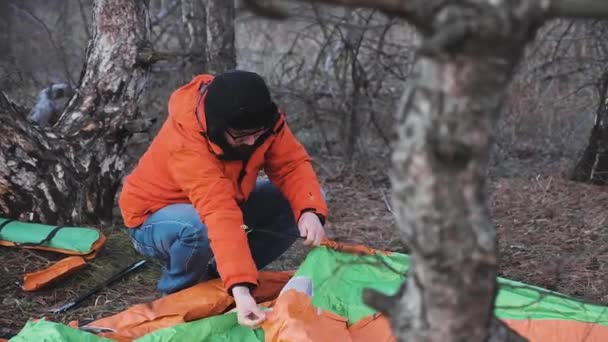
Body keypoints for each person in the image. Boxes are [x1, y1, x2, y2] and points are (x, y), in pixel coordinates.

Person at [118, 70, 328, 328]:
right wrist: (241, 292)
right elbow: (219, 212)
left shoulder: (266, 122)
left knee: (295, 203)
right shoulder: (187, 140)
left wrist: (309, 210)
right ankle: (179, 297)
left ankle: (218, 279)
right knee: (198, 227)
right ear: (219, 125)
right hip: (153, 219)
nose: (251, 141)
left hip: (225, 206)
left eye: (257, 132)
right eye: (241, 135)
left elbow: (291, 166)